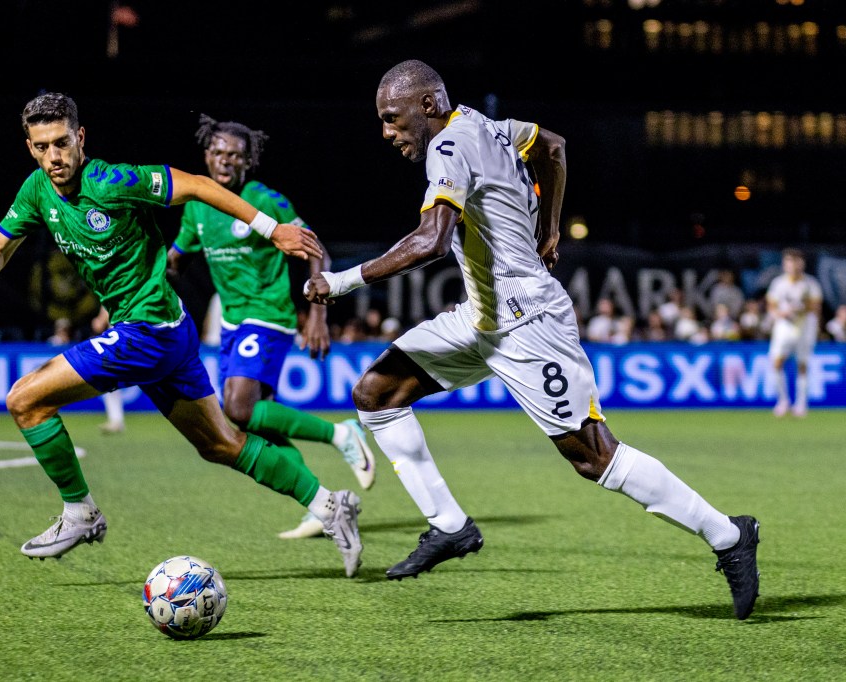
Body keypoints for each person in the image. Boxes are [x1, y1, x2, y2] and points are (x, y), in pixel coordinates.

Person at [305, 60, 760, 618]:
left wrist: (341, 282)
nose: (387, 132)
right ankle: (450, 526)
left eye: (392, 119)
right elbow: (555, 147)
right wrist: (549, 226)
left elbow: (430, 241)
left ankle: (730, 537)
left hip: (528, 324)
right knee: (376, 395)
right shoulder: (494, 126)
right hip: (480, 317)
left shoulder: (448, 146)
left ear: (428, 105)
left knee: (596, 458)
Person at [0, 92, 362, 577]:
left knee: (25, 400)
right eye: (42, 147)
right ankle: (330, 504)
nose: (54, 156)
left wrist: (271, 228)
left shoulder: (112, 181)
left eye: (62, 143)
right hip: (169, 331)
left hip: (147, 329)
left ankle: (79, 512)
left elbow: (192, 185)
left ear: (80, 137)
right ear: (30, 147)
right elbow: (0, 247)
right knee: (221, 444)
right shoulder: (36, 190)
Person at [167, 114, 377, 541]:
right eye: (219, 153)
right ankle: (322, 505)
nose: (226, 161)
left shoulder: (263, 198)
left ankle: (342, 433)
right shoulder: (197, 204)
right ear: (207, 155)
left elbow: (315, 248)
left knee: (237, 411)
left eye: (236, 156)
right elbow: (177, 256)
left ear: (248, 162)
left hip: (269, 316)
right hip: (231, 324)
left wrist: (317, 313)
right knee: (257, 423)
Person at [765, 248, 823, 418]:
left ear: (802, 263)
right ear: (784, 264)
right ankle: (783, 401)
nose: (793, 265)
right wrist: (780, 313)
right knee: (776, 361)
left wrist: (801, 307)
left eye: (796, 261)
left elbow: (816, 306)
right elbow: (771, 306)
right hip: (784, 326)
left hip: (804, 326)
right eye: (789, 261)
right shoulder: (778, 283)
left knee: (802, 365)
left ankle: (801, 403)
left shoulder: (810, 284)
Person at [90, 305, 125, 434]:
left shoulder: (115, 287)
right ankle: (116, 420)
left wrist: (100, 319)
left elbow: (99, 323)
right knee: (109, 379)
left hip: (123, 340)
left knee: (109, 378)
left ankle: (116, 420)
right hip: (130, 338)